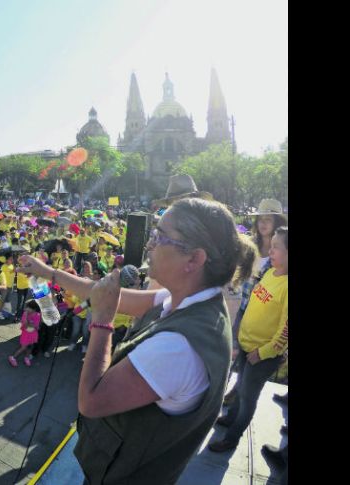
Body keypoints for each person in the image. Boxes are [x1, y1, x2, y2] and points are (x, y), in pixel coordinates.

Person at [17, 197, 257, 484]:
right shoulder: (191, 300)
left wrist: (102, 320)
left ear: (194, 259)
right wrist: (49, 273)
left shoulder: (178, 348)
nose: (149, 245)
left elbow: (90, 402)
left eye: (160, 237)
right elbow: (103, 293)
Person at [209, 227, 288, 452]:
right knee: (240, 388)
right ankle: (231, 419)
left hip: (261, 355)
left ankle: (232, 438)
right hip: (246, 346)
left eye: (276, 247)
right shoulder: (270, 273)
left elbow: (285, 332)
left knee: (248, 397)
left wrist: (262, 353)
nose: (270, 251)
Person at [224, 199, 288, 405]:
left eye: (269, 219)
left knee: (249, 357)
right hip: (241, 305)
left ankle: (238, 393)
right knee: (233, 350)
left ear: (277, 222)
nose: (263, 223)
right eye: (261, 218)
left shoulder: (283, 253)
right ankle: (229, 388)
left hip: (263, 314)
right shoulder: (249, 243)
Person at [8, 300, 41, 367]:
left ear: (34, 309)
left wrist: (32, 325)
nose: (26, 309)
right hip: (25, 334)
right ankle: (12, 357)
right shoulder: (25, 314)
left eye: (28, 307)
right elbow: (25, 325)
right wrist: (26, 318)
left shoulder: (37, 315)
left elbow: (36, 326)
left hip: (33, 334)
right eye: (27, 307)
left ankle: (26, 357)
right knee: (23, 347)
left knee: (30, 347)